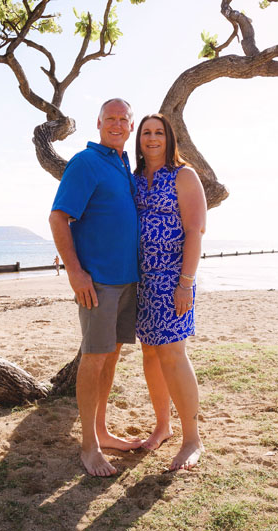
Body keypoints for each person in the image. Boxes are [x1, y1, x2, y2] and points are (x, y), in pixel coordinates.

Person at [49, 98, 143, 477]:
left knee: (111, 356)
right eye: (110, 119)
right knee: (94, 358)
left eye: (124, 119)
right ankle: (88, 446)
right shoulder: (85, 162)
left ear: (131, 127)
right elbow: (58, 217)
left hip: (127, 281)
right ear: (99, 123)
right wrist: (75, 271)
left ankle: (101, 431)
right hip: (98, 282)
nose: (117, 124)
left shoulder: (123, 166)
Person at [133, 113, 207, 471]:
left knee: (173, 356)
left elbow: (195, 230)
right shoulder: (134, 179)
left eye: (158, 132)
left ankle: (192, 438)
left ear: (169, 138)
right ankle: (162, 426)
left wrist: (186, 283)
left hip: (172, 279)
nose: (152, 138)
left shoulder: (183, 175)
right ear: (139, 139)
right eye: (146, 132)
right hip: (139, 281)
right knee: (150, 355)